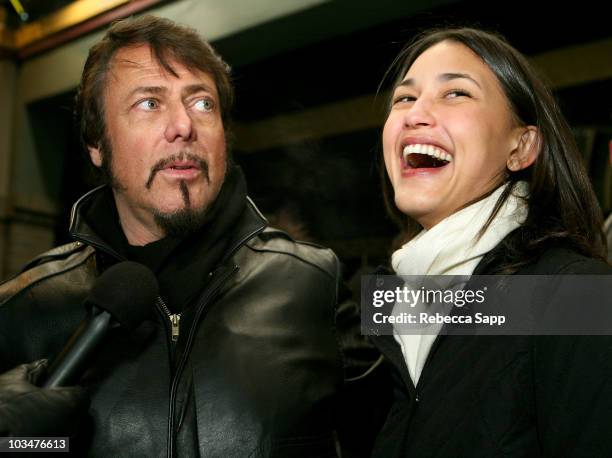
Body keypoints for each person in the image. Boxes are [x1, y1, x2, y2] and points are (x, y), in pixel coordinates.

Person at [0, 15, 387, 457]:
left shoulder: (320, 283)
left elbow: (459, 359)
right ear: (97, 144)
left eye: (202, 103)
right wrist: (17, 443)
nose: (184, 125)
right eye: (149, 103)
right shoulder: (22, 310)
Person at [370, 27, 612, 457]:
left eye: (456, 93)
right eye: (404, 98)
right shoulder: (393, 304)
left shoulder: (575, 294)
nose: (414, 114)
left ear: (520, 147)